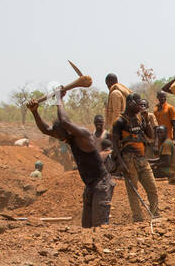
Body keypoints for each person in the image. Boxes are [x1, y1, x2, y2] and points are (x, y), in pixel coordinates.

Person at [27, 92, 112, 228]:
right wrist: (35, 112)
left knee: (99, 226)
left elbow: (65, 122)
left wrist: (59, 98)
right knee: (87, 227)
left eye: (60, 135)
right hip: (90, 185)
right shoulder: (69, 138)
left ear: (68, 131)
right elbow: (45, 130)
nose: (59, 139)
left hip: (101, 183)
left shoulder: (83, 135)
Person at [111, 93, 160, 219]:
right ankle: (138, 217)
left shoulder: (139, 118)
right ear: (130, 103)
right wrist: (121, 163)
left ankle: (155, 214)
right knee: (133, 191)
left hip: (142, 158)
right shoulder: (119, 121)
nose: (140, 106)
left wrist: (146, 119)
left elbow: (150, 135)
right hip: (129, 160)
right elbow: (115, 144)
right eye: (138, 103)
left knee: (152, 188)